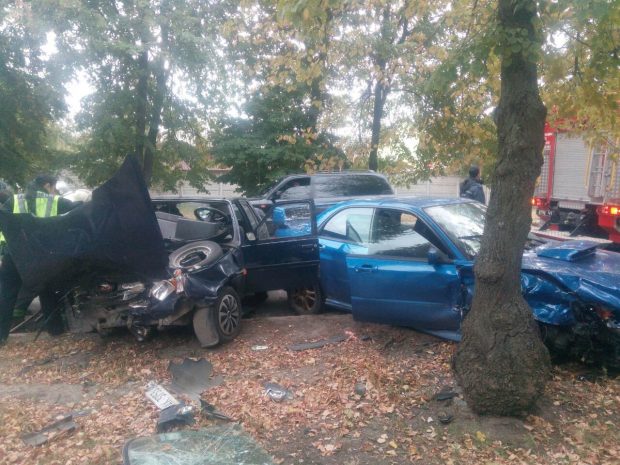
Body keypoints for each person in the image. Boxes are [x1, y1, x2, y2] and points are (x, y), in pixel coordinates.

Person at [0, 175, 75, 344]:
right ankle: (55, 332)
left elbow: (3, 225)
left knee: (6, 294)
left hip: (14, 255)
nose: (54, 191)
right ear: (47, 185)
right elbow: (79, 210)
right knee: (47, 290)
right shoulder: (55, 201)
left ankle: (1, 336)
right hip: (40, 255)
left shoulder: (13, 201)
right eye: (53, 187)